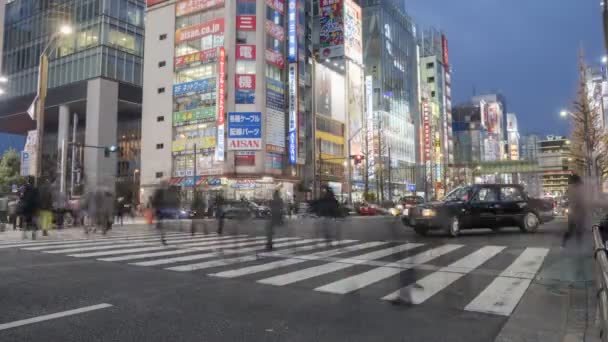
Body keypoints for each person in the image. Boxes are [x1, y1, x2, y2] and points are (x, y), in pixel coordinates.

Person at [562, 174, 586, 248]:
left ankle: (566, 244)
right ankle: (578, 245)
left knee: (574, 230)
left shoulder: (572, 189)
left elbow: (567, 199)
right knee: (576, 230)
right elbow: (567, 199)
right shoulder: (573, 189)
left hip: (576, 212)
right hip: (576, 212)